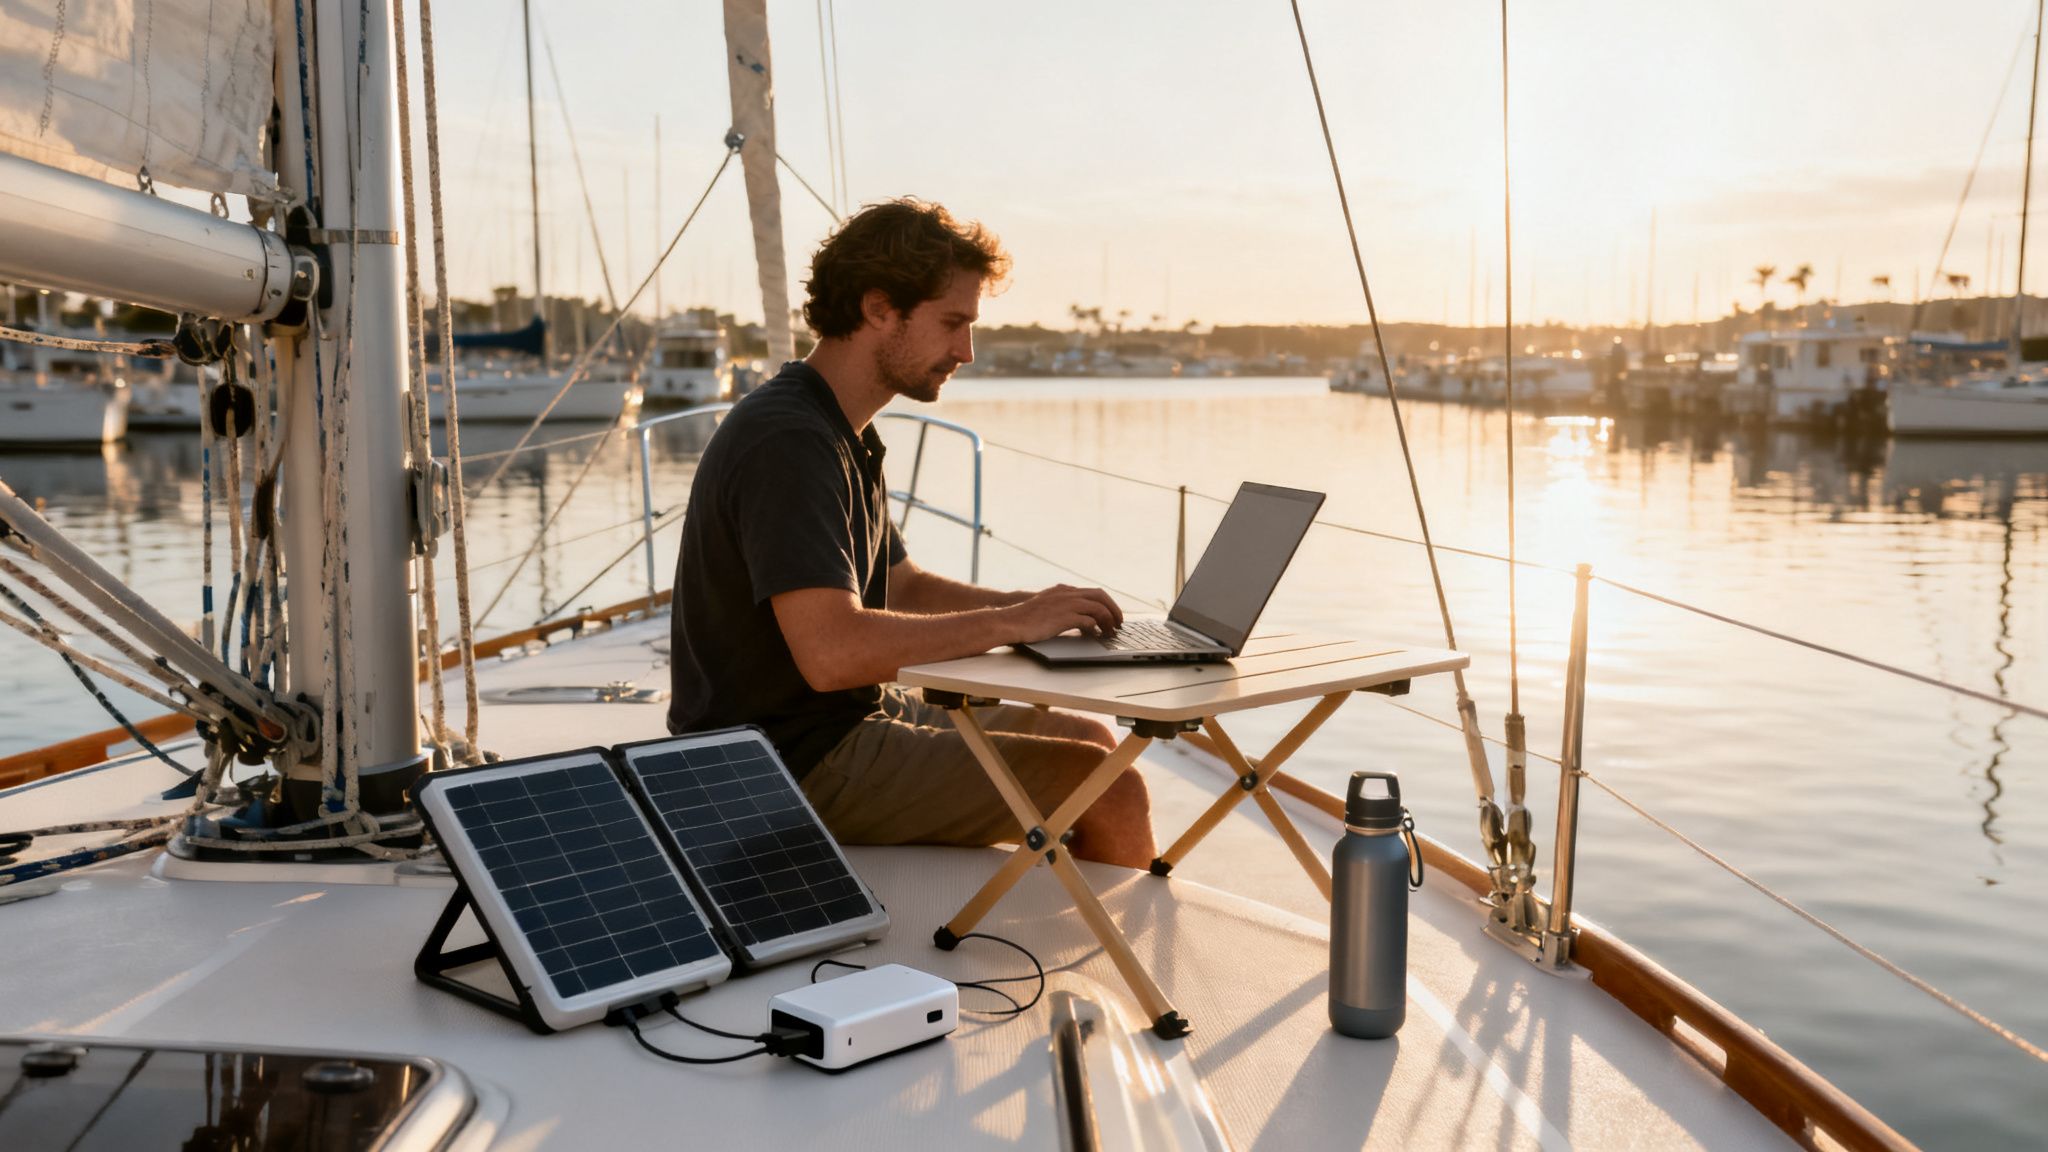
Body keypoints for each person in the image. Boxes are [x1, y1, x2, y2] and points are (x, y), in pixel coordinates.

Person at [667, 198, 1156, 868]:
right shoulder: (790, 441)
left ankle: (1059, 920)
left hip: (832, 720)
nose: (967, 351)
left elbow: (902, 584)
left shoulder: (840, 430)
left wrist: (1040, 609)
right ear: (877, 310)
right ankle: (1114, 965)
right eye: (953, 323)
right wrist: (1014, 623)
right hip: (777, 760)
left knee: (1094, 737)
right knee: (1113, 790)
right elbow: (833, 653)